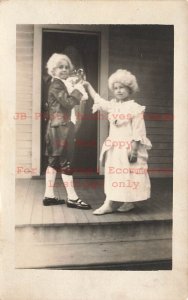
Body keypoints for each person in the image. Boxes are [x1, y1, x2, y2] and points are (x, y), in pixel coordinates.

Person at [84, 69, 152, 215]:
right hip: (115, 147)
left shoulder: (135, 108)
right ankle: (108, 203)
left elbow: (138, 132)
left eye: (121, 87)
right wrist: (88, 86)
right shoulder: (113, 106)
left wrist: (134, 150)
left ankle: (128, 202)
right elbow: (98, 100)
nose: (118, 91)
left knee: (129, 175)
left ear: (129, 88)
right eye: (115, 88)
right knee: (114, 175)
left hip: (128, 148)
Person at [43, 53, 91, 209]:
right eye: (60, 67)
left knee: (53, 162)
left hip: (56, 127)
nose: (64, 69)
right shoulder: (57, 84)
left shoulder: (59, 84)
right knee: (66, 163)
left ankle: (49, 196)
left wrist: (73, 86)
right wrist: (78, 88)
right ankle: (72, 198)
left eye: (66, 67)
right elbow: (69, 102)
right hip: (61, 128)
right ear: (53, 70)